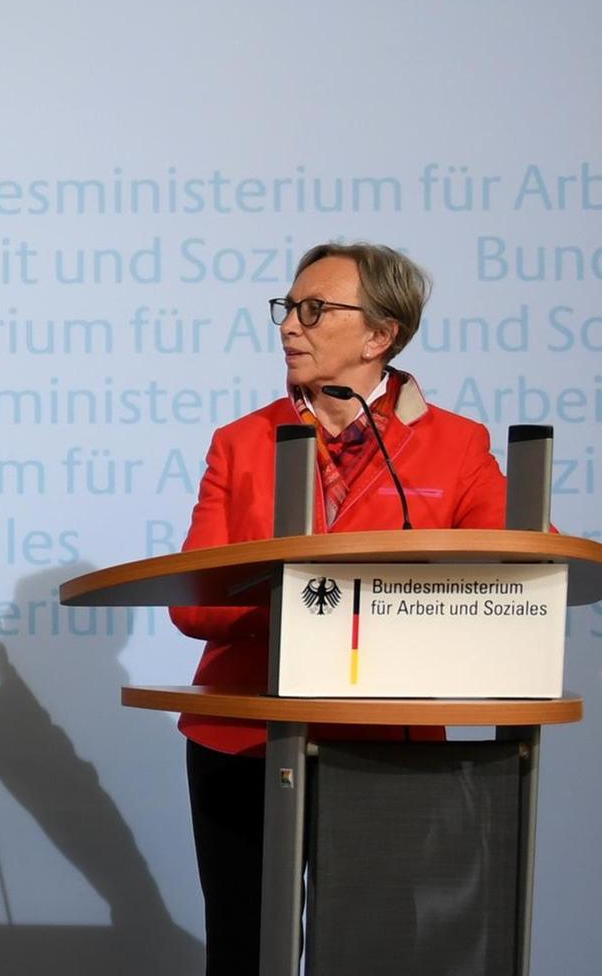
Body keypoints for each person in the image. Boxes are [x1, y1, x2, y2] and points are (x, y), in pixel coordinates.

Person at [169, 241, 507, 974]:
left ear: (381, 335)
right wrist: (314, 617)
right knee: (245, 949)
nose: (290, 326)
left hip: (386, 740)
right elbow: (196, 604)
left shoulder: (457, 446)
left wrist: (319, 613)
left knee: (376, 948)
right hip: (243, 735)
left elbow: (510, 574)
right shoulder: (240, 442)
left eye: (313, 310)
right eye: (286, 309)